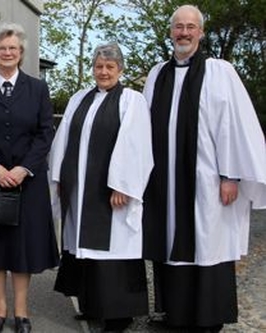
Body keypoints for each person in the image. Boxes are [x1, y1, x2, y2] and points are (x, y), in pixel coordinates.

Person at [142, 5, 266, 332]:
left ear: (201, 32)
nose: (183, 33)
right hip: (165, 181)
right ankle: (175, 313)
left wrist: (230, 175)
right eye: (178, 27)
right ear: (171, 31)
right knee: (170, 242)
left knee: (207, 243)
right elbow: (141, 126)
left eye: (190, 27)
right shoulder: (158, 73)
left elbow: (233, 126)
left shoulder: (219, 71)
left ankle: (209, 318)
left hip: (207, 179)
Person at [0, 22, 59, 333]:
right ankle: (0, 311)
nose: (7, 52)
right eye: (1, 48)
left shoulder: (38, 88)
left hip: (27, 182)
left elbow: (45, 133)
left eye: (13, 48)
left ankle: (22, 312)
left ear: (21, 53)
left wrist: (22, 168)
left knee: (22, 246)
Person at [49, 42, 153, 332]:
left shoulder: (131, 100)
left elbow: (135, 144)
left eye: (109, 67)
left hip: (110, 193)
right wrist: (59, 177)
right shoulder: (79, 98)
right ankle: (92, 304)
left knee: (113, 249)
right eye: (98, 66)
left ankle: (119, 314)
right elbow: (63, 139)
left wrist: (123, 185)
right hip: (80, 190)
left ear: (120, 69)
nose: (103, 71)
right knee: (84, 249)